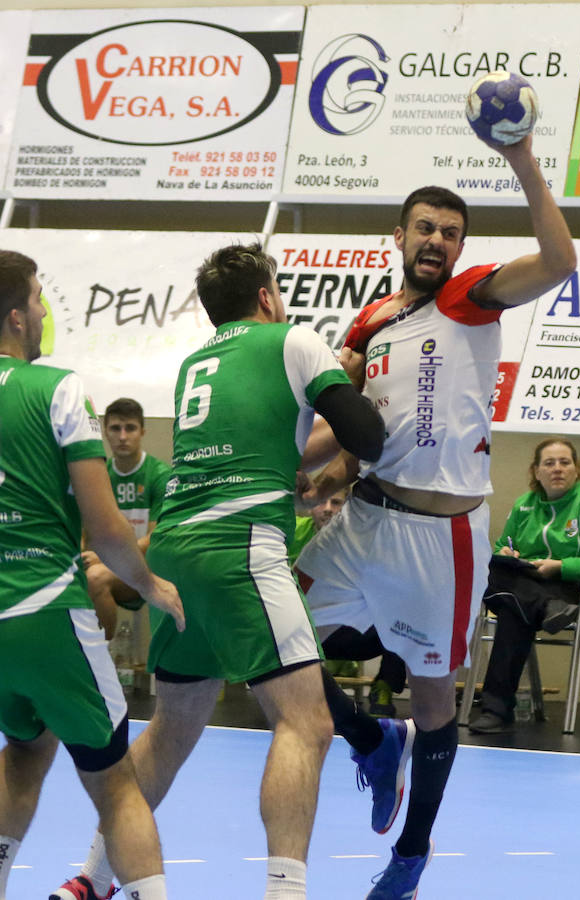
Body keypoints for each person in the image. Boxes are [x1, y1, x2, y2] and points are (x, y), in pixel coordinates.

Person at [52, 241, 385, 900]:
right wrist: (350, 382)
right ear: (268, 295)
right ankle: (285, 893)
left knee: (173, 727)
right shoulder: (294, 341)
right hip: (242, 548)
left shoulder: (198, 364)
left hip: (176, 550)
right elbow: (366, 437)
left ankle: (89, 879)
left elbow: (281, 444)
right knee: (307, 723)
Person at [294, 132, 578, 899]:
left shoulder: (470, 295)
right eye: (425, 228)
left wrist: (520, 160)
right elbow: (359, 427)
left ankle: (410, 857)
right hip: (362, 523)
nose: (437, 241)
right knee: (267, 630)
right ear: (399, 234)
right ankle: (369, 739)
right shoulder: (371, 321)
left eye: (450, 233)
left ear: (461, 247)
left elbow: (558, 264)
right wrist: (318, 477)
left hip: (439, 538)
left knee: (432, 699)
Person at [0, 250, 185, 900]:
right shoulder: (56, 389)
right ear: (19, 315)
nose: (46, 312)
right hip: (46, 607)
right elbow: (105, 527)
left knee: (24, 754)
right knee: (114, 783)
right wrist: (152, 585)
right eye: (40, 300)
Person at [469, 437, 580, 734]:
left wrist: (561, 567)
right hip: (540, 597)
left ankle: (496, 710)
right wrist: (506, 553)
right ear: (536, 471)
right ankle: (544, 607)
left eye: (565, 462)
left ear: (576, 469)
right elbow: (504, 545)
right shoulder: (524, 506)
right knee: (492, 572)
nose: (557, 469)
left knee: (514, 609)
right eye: (549, 463)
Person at [290, 489, 408, 716]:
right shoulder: (291, 532)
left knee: (405, 615)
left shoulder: (370, 540)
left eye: (335, 502)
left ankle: (383, 687)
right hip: (307, 631)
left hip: (362, 635)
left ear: (348, 508)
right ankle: (295, 691)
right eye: (321, 501)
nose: (326, 508)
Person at [84, 397, 171, 640]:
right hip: (108, 564)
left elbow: (156, 539)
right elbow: (84, 531)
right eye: (115, 428)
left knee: (95, 578)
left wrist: (104, 558)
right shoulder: (98, 476)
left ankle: (101, 661)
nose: (122, 436)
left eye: (130, 428)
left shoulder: (159, 476)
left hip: (147, 567)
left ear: (142, 431)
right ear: (105, 432)